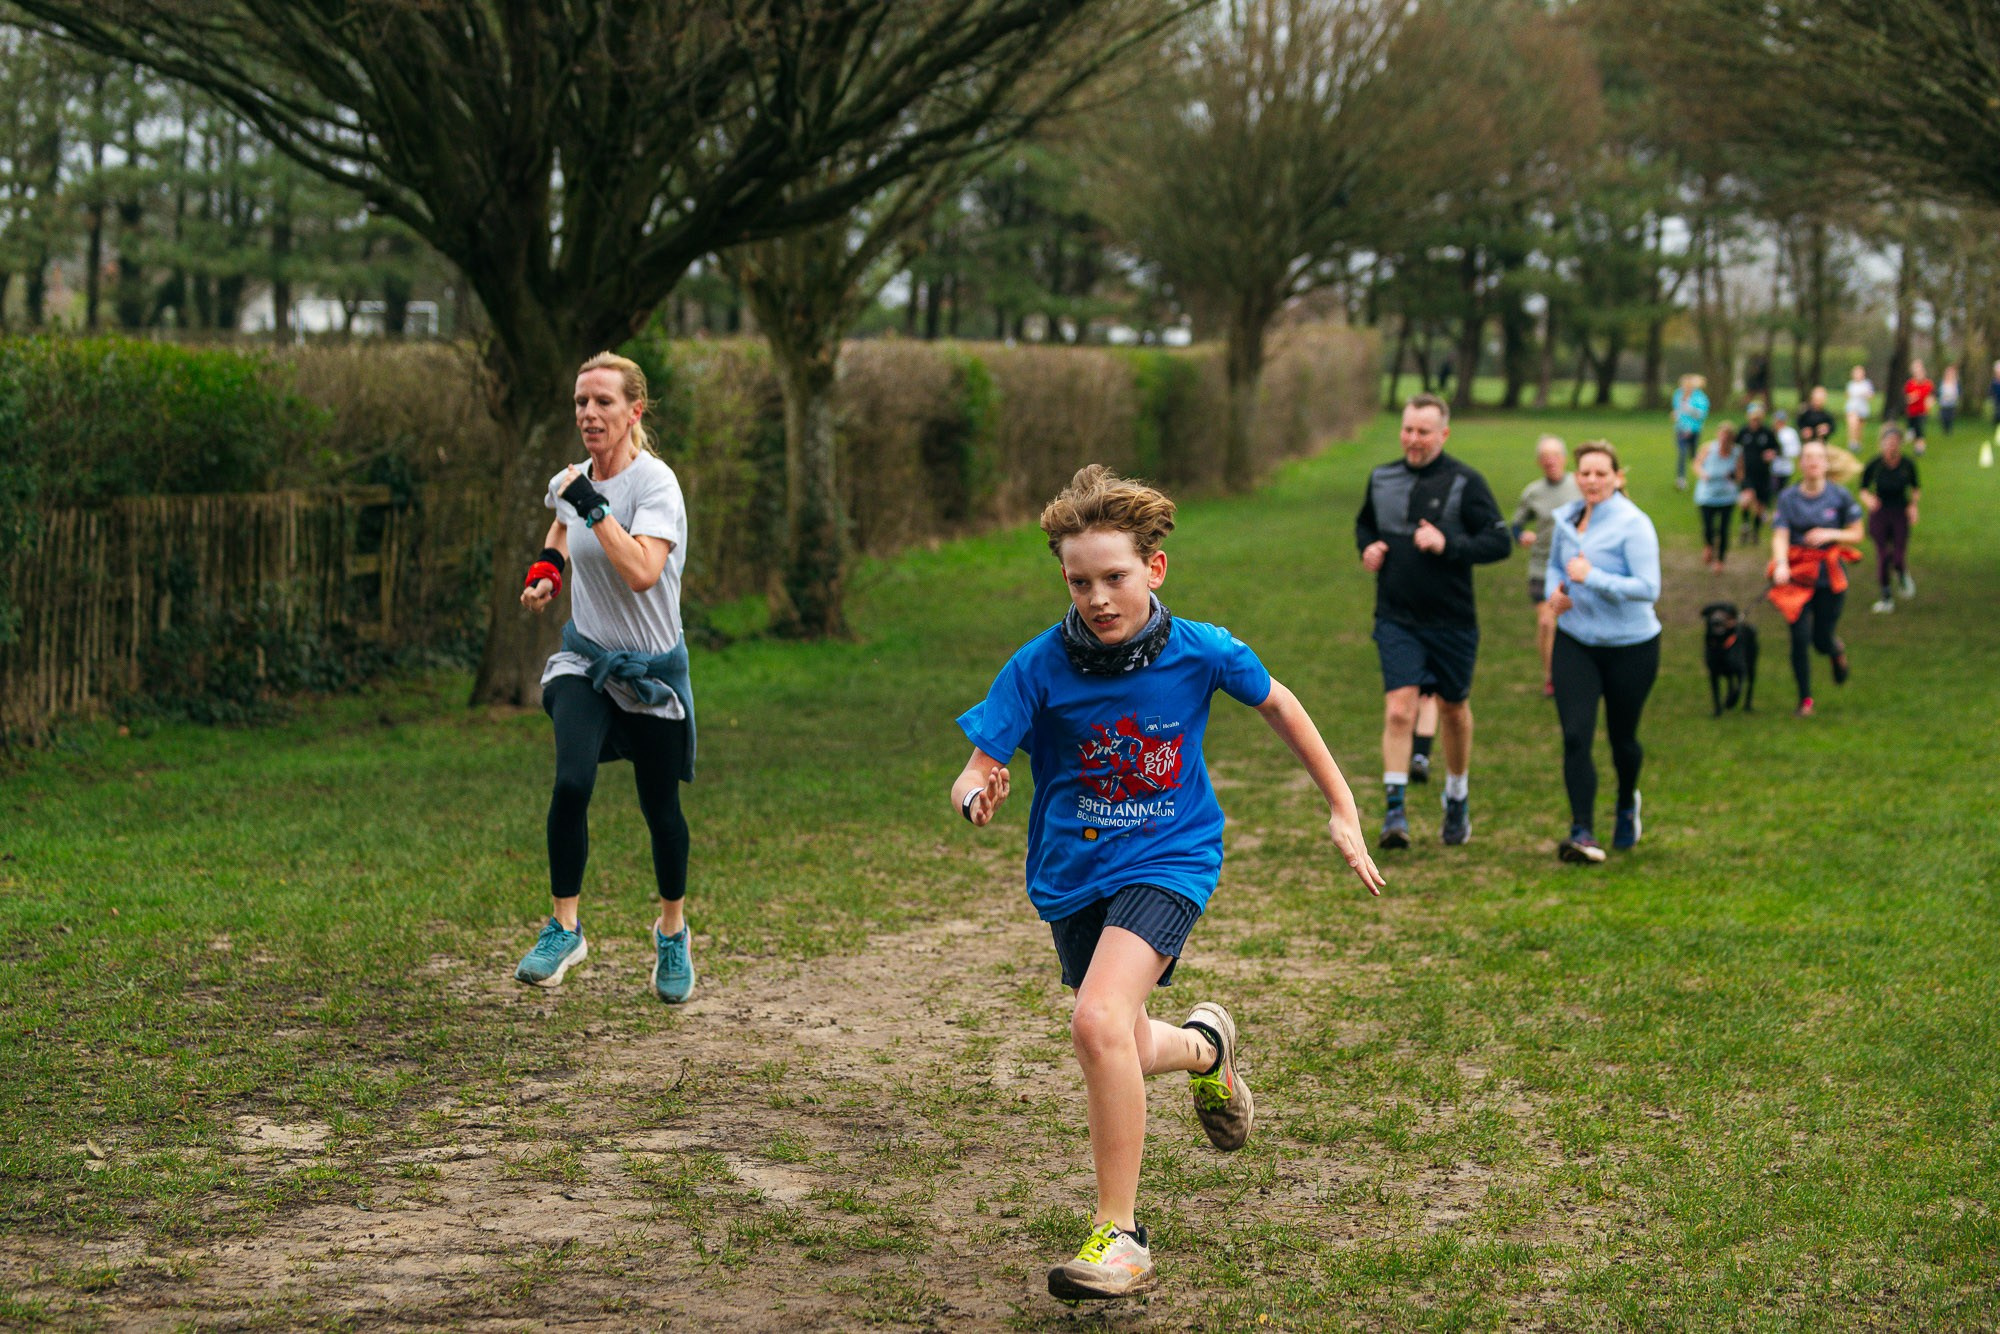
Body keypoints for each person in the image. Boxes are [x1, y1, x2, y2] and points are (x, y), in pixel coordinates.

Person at [953, 465, 1385, 1301]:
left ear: (1154, 569)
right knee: (1114, 1034)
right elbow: (977, 766)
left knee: (1096, 1020)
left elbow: (1282, 704)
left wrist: (1343, 807)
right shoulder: (1038, 666)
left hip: (1172, 857)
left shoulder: (1203, 650)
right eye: (1079, 581)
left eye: (1114, 577)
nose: (1098, 598)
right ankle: (1206, 1048)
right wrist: (977, 794)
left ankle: (1122, 1235)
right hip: (1074, 873)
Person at [515, 351, 699, 1004]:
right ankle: (565, 927)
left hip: (650, 673)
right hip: (586, 662)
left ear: (634, 412)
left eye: (602, 403)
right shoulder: (571, 483)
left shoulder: (657, 486)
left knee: (661, 811)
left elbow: (643, 571)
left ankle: (671, 931)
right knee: (570, 781)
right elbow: (562, 526)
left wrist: (594, 506)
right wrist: (547, 571)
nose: (588, 414)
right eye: (580, 403)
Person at [1356, 393, 1514, 849]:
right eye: (1407, 429)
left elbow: (1499, 542)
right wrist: (1368, 548)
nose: (1413, 439)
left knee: (1453, 711)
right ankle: (1394, 811)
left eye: (1423, 431)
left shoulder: (1467, 482)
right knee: (1399, 707)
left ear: (1443, 434)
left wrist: (1449, 544)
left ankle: (1457, 796)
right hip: (1396, 616)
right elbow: (1366, 525)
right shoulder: (1382, 478)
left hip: (1453, 621)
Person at [1541, 442, 1661, 864]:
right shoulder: (1567, 520)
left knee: (1621, 739)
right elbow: (1556, 567)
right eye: (1585, 473)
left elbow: (1649, 588)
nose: (1592, 481)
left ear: (1617, 477)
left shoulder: (1634, 524)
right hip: (1576, 642)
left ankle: (1627, 802)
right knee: (1576, 735)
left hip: (1631, 647)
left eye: (1601, 474)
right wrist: (1554, 593)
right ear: (1577, 477)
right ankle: (1582, 831)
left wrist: (1594, 578)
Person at [1769, 440, 1866, 718]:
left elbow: (1857, 533)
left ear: (1825, 463)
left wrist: (1831, 534)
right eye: (1807, 457)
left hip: (1829, 579)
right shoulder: (1788, 498)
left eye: (1817, 457)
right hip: (1797, 578)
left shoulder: (1839, 496)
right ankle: (1805, 700)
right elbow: (1780, 534)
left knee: (1820, 640)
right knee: (1798, 638)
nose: (1812, 462)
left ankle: (1835, 650)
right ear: (1801, 463)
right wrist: (1781, 564)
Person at [1512, 434, 1581, 696]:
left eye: (1555, 456)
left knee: (1572, 621)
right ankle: (1552, 677)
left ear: (1564, 459)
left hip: (1574, 567)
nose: (1550, 461)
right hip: (1541, 567)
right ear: (1539, 462)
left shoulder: (1580, 484)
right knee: (1546, 623)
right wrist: (1521, 536)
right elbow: (1516, 525)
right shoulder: (1533, 492)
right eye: (1545, 457)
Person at [1860, 425, 1921, 613]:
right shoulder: (1875, 464)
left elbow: (1915, 487)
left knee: (1897, 556)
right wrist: (1869, 499)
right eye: (1888, 442)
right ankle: (1886, 597)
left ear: (1900, 444)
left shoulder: (1907, 465)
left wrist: (1912, 506)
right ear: (1882, 443)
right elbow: (1863, 488)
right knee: (1883, 555)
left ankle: (1901, 573)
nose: (1891, 446)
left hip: (1899, 512)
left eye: (1895, 442)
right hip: (1880, 513)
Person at [1693, 423, 1743, 572]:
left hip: (1727, 496)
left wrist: (1733, 476)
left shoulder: (1737, 452)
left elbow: (1740, 474)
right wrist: (1702, 473)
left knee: (1723, 529)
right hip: (1706, 496)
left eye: (1727, 438)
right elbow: (1696, 464)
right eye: (1721, 437)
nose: (1723, 441)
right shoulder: (1708, 448)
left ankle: (1720, 560)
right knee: (1708, 527)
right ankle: (1708, 546)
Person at [1737, 401, 1779, 544]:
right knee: (1746, 499)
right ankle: (1745, 524)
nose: (1755, 421)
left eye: (1757, 418)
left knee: (1760, 505)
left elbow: (1777, 449)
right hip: (1746, 473)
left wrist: (1772, 453)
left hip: (1762, 474)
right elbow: (1735, 449)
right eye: (1752, 418)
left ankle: (1755, 531)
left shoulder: (1767, 432)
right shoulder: (1743, 432)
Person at [1671, 374, 1709, 491]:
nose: (1685, 388)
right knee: (1682, 453)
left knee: (1694, 456)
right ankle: (1681, 479)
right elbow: (1677, 411)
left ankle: (1704, 476)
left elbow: (1701, 415)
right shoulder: (1678, 395)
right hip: (1681, 429)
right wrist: (1676, 416)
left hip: (1694, 430)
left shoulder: (1700, 397)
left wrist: (1689, 409)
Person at [1903, 358, 1934, 454]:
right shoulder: (1910, 384)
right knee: (1913, 431)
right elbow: (1907, 398)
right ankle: (1916, 445)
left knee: (1919, 429)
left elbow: (1931, 397)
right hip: (1911, 411)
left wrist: (1930, 402)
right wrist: (1912, 397)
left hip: (1922, 412)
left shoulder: (1928, 384)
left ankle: (1920, 448)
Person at [1844, 365, 1875, 449]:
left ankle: (1857, 442)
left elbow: (1871, 395)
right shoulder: (1851, 384)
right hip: (1852, 407)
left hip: (1862, 408)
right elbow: (1847, 395)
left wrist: (1865, 394)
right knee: (1852, 424)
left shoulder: (1867, 383)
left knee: (1859, 427)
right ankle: (1852, 442)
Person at [1772, 409, 1801, 489]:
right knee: (1774, 488)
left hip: (1786, 467)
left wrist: (1783, 452)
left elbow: (1796, 449)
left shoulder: (1790, 432)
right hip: (1773, 468)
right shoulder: (1772, 432)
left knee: (1784, 487)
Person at [1938, 364, 1960, 436]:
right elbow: (1939, 392)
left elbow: (1958, 392)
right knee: (1944, 417)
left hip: (1951, 403)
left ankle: (1950, 431)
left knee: (1950, 417)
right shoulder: (1942, 382)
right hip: (1943, 402)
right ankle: (1945, 431)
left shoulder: (1956, 382)